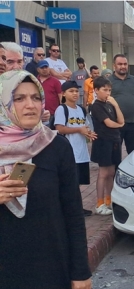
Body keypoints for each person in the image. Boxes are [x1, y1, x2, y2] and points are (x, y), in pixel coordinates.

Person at [0, 70, 97, 289]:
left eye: (35, 97)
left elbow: (72, 215)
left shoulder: (55, 146)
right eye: (19, 98)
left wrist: (80, 272)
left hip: (48, 270)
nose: (30, 105)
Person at [54, 81, 97, 216]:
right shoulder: (62, 109)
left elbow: (85, 127)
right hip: (68, 152)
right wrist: (79, 129)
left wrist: (89, 133)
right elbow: (60, 129)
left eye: (76, 91)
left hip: (81, 152)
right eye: (71, 91)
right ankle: (68, 209)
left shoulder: (81, 109)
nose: (74, 93)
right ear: (64, 93)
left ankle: (77, 207)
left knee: (77, 182)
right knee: (68, 182)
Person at [90, 76, 125, 215]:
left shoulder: (109, 104)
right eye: (105, 90)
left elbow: (121, 119)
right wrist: (119, 125)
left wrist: (116, 105)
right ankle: (99, 203)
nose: (108, 93)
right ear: (96, 90)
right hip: (103, 141)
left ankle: (109, 200)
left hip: (114, 140)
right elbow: (109, 123)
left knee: (111, 172)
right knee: (103, 173)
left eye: (109, 90)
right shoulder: (96, 106)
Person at [110, 54, 134, 154]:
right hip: (116, 125)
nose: (123, 66)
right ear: (114, 65)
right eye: (120, 64)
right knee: (115, 154)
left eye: (125, 64)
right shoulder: (109, 81)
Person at [37, 61, 62, 128]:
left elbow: (61, 96)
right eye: (42, 68)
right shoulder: (35, 81)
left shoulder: (55, 81)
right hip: (38, 114)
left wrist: (62, 110)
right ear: (38, 70)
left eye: (46, 67)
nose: (45, 69)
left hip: (53, 113)